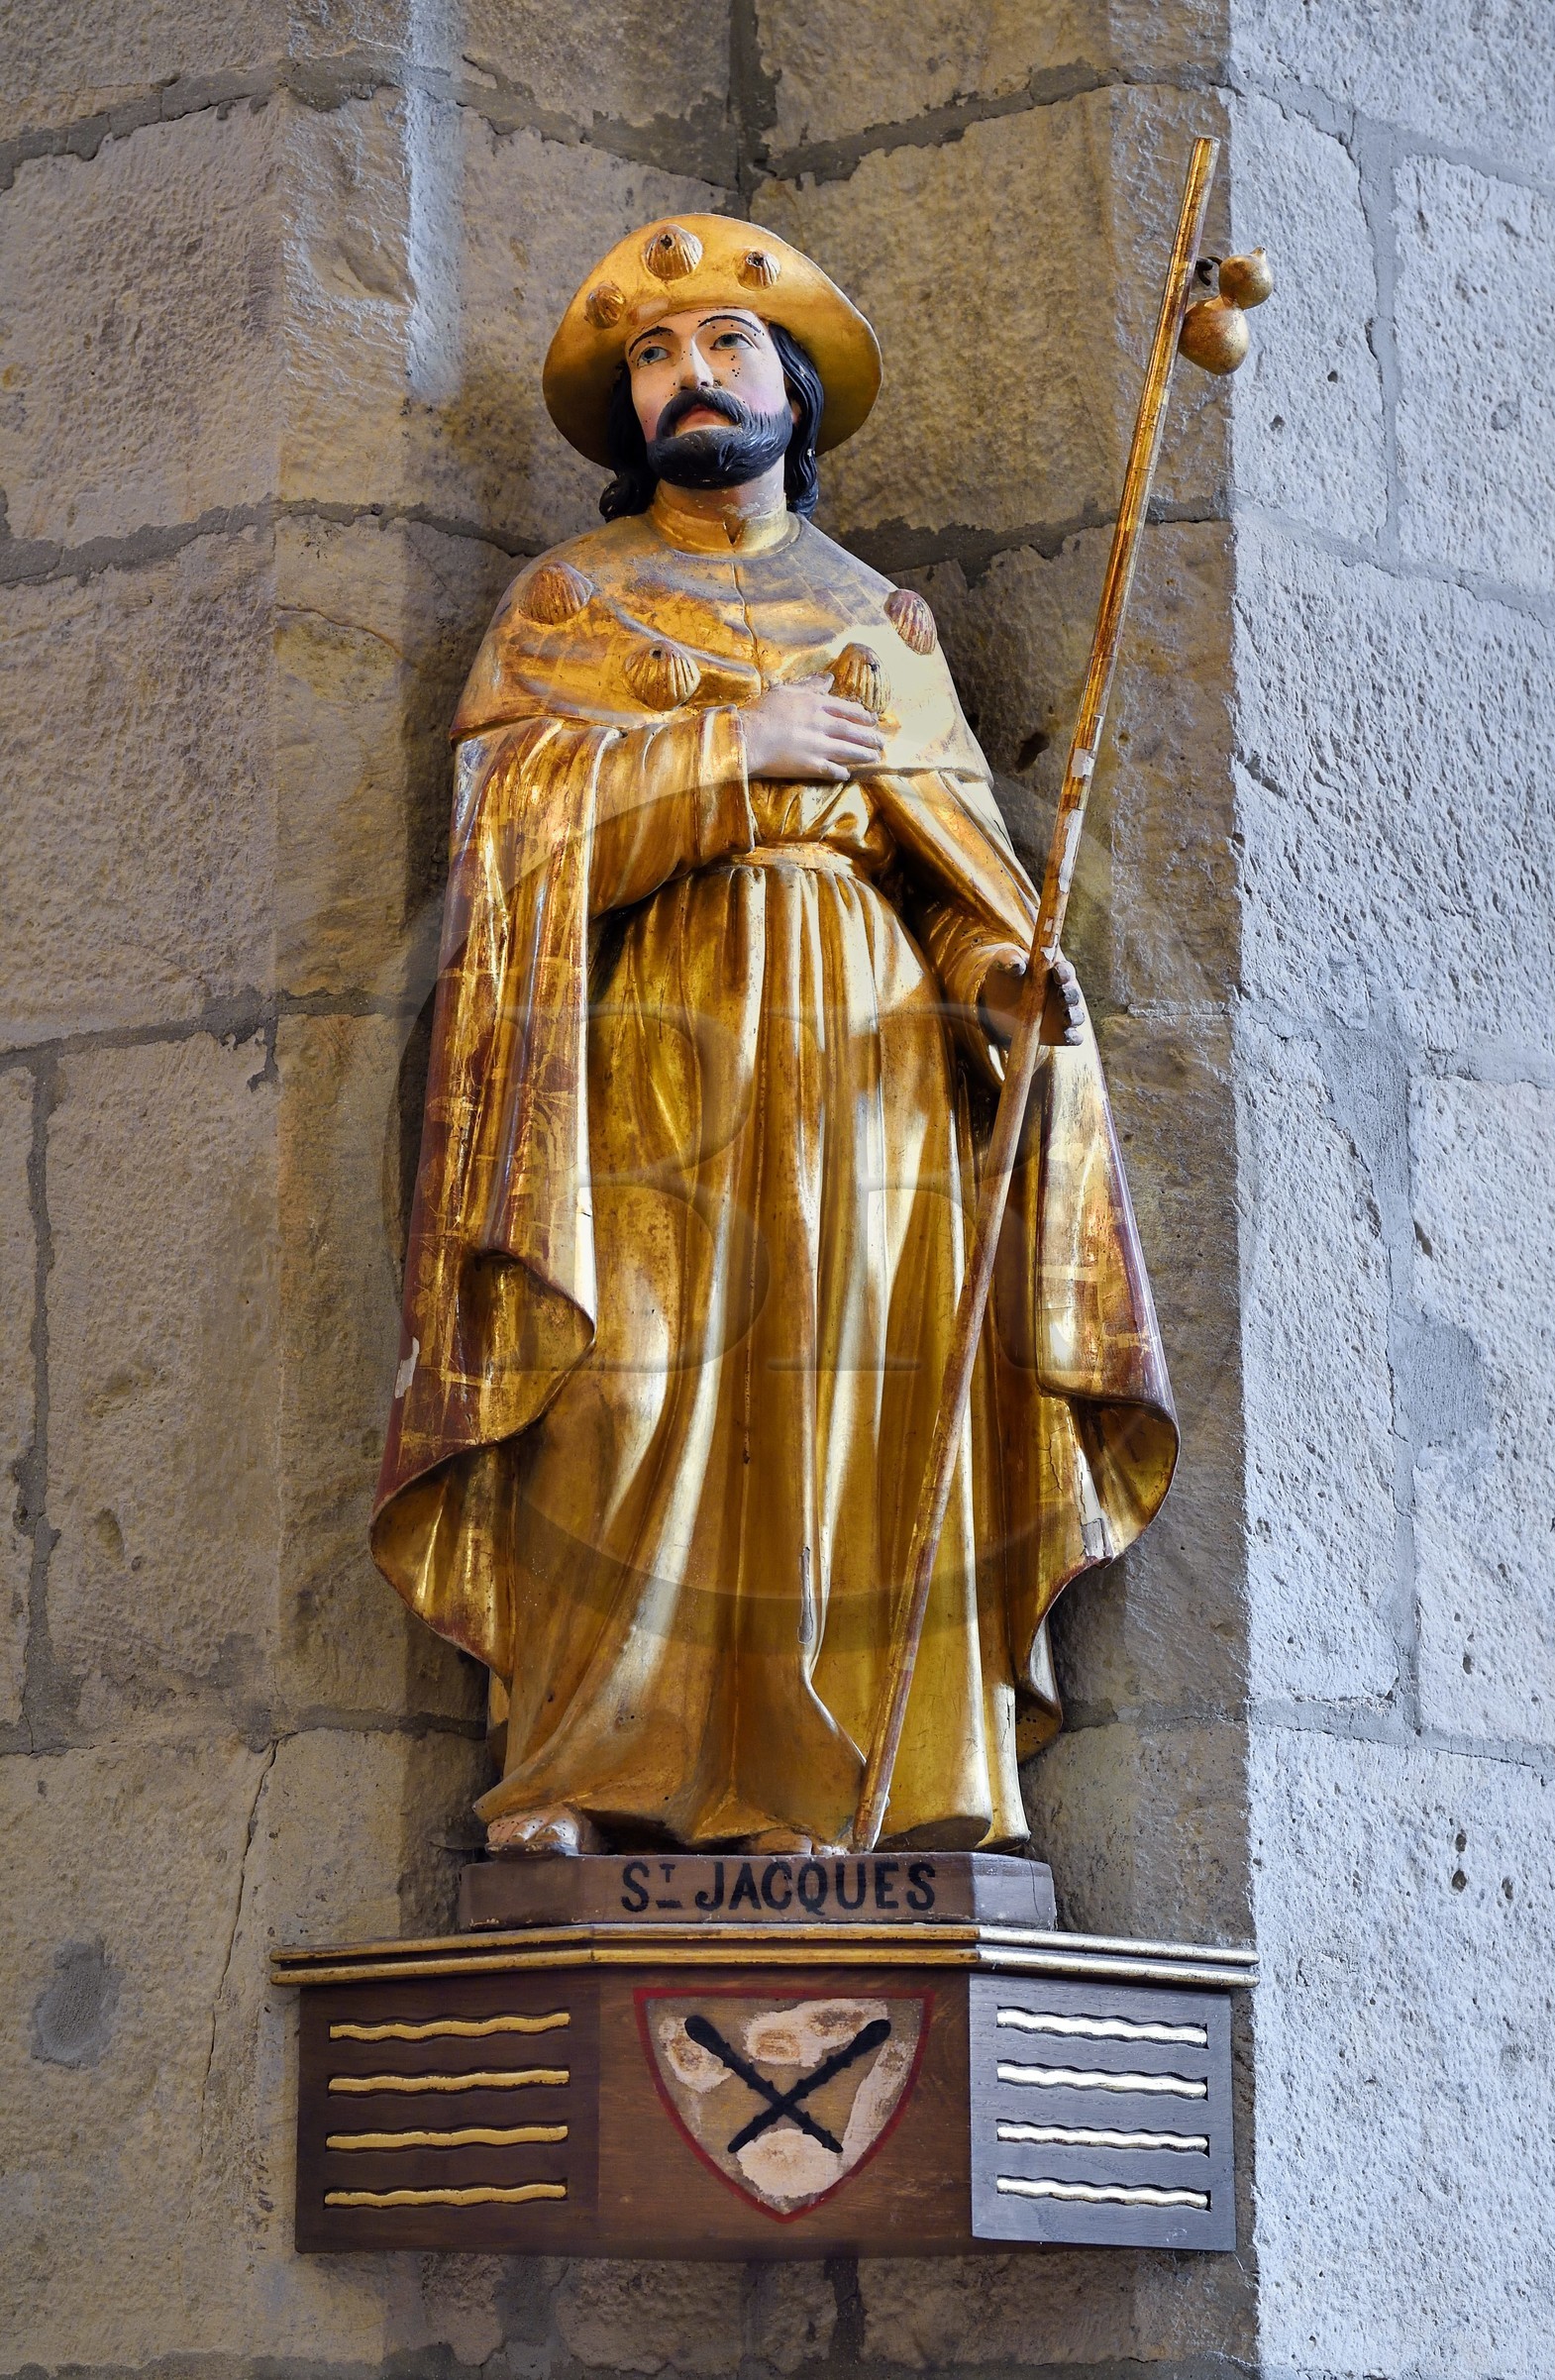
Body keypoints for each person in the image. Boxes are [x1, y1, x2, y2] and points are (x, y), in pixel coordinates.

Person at [372, 216, 1177, 1858]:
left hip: (875, 1075)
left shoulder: (881, 625)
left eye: (727, 347)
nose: (689, 378)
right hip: (645, 1067)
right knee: (627, 1388)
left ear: (793, 392)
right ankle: (596, 1770)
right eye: (655, 357)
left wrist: (997, 981)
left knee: (858, 1405)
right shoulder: (567, 604)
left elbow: (953, 869)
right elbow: (503, 845)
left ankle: (854, 1789)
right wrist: (731, 746)